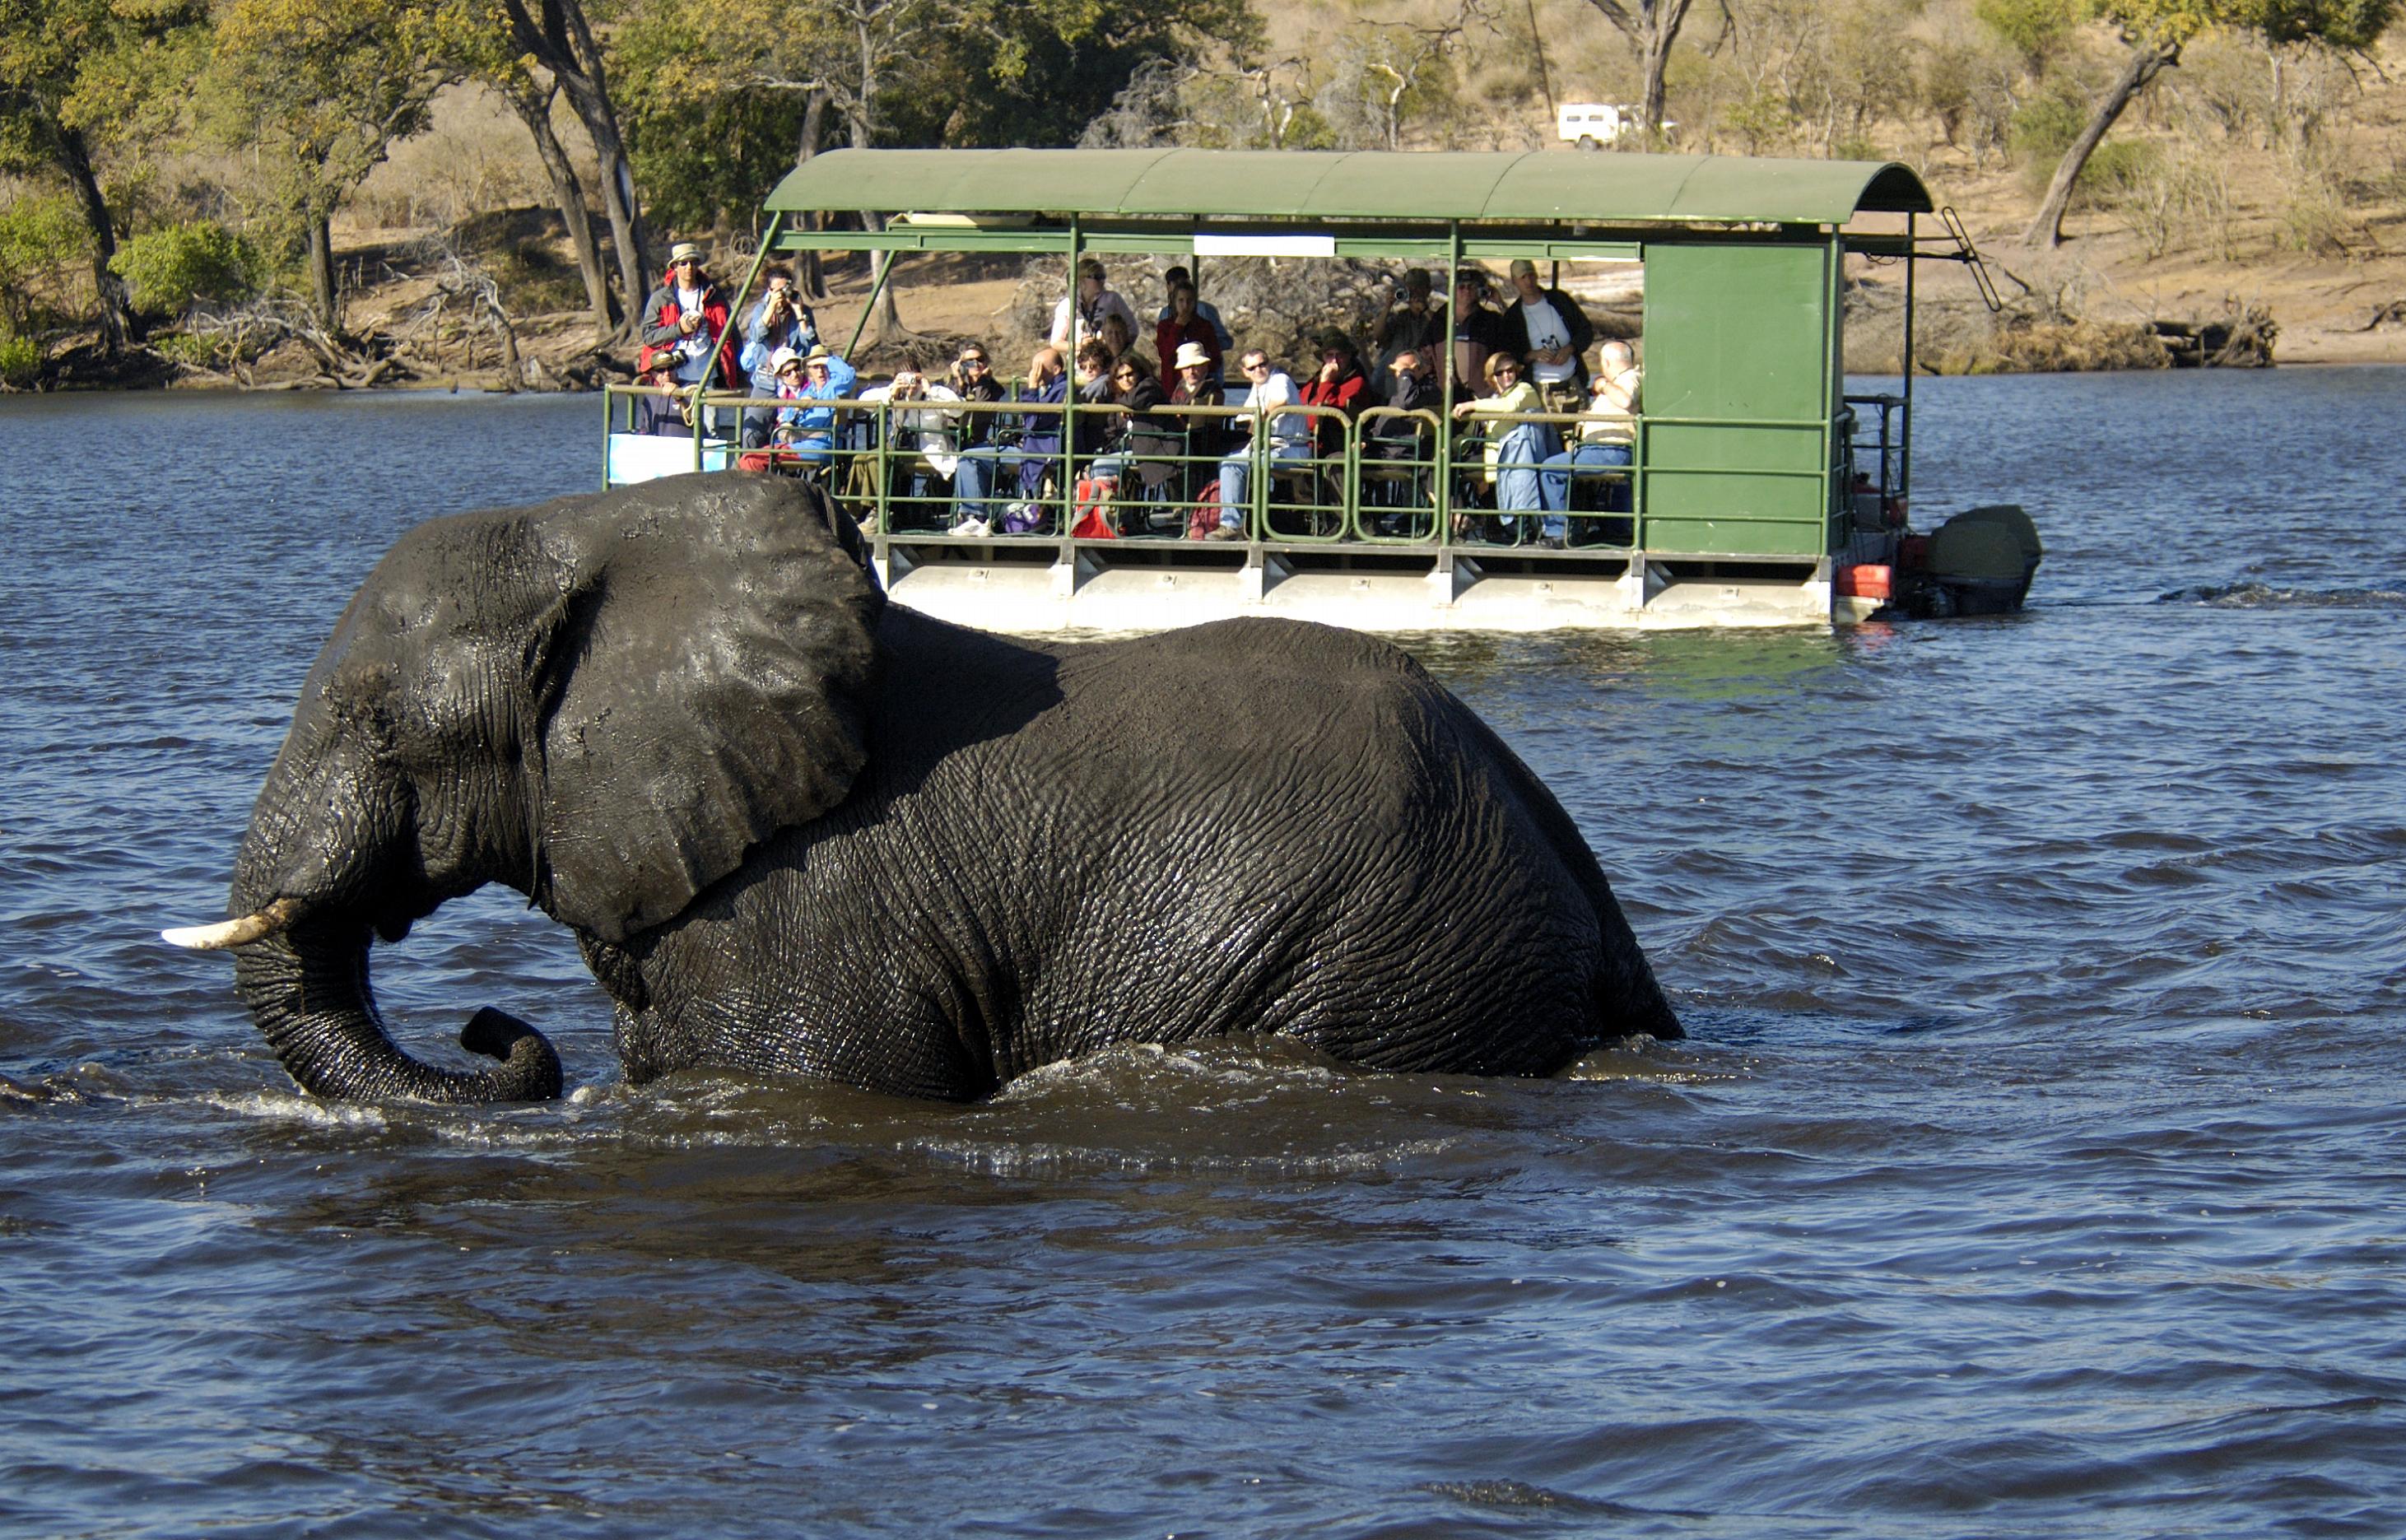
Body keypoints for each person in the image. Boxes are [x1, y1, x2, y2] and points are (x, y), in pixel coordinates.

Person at [952, 346, 1068, 536]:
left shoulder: (1061, 390)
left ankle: (975, 518)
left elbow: (1032, 422)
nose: (1034, 372)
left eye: (1039, 368)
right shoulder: (1053, 388)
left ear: (1055, 370)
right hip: (1035, 447)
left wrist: (1031, 388)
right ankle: (977, 517)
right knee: (974, 454)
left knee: (969, 457)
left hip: (1041, 453)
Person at [1538, 340, 1641, 544]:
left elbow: (1626, 401)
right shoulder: (1621, 381)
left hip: (1611, 449)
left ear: (1607, 362)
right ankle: (1583, 528)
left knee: (1550, 469)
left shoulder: (1631, 378)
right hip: (1597, 449)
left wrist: (1603, 385)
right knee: (1565, 468)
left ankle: (1559, 532)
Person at [1451, 350, 1556, 541]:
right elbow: (1474, 433)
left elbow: (1509, 407)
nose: (1506, 375)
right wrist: (1448, 447)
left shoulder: (1524, 390)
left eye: (1510, 370)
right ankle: (1460, 518)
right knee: (1444, 465)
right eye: (1499, 373)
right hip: (1493, 456)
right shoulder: (1492, 399)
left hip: (1514, 456)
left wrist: (1472, 405)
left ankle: (1506, 527)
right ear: (1491, 378)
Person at [638, 240, 738, 435]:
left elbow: (730, 335)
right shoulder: (661, 298)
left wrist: (737, 374)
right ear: (674, 267)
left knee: (710, 431)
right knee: (673, 428)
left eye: (693, 262)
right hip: (673, 374)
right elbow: (649, 336)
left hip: (706, 374)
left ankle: (707, 466)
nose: (689, 267)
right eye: (683, 263)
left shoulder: (714, 296)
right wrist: (680, 329)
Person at [1210, 347, 1309, 541]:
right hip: (1264, 449)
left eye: (1262, 364)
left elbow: (1280, 401)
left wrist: (1261, 417)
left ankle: (1233, 524)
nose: (1258, 370)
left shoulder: (1280, 379)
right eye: (1252, 367)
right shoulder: (1257, 388)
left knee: (1234, 464)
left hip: (1290, 449)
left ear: (1269, 364)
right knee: (1228, 461)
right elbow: (1243, 418)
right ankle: (1236, 522)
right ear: (1245, 373)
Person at [859, 365, 963, 528]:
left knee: (874, 458)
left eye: (913, 378)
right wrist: (892, 392)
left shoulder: (935, 393)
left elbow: (958, 410)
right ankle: (859, 511)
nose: (910, 384)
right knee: (860, 459)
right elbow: (863, 402)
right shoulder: (894, 393)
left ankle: (878, 512)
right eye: (905, 379)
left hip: (930, 449)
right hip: (898, 447)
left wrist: (931, 391)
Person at [738, 264, 820, 447]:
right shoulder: (762, 309)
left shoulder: (803, 311)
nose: (782, 295)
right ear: (769, 291)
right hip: (766, 380)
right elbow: (756, 336)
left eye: (785, 289)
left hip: (794, 380)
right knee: (751, 432)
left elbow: (812, 346)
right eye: (777, 290)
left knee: (798, 433)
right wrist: (772, 307)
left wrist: (799, 313)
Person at [1501, 258, 1596, 407]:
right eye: (1523, 277)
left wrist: (1570, 349)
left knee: (1581, 427)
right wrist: (1533, 355)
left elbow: (1586, 331)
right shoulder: (1513, 316)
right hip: (1539, 387)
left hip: (1574, 380)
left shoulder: (1560, 300)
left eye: (1531, 275)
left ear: (1537, 275)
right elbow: (1510, 354)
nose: (1528, 281)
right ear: (1514, 281)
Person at [775, 343, 859, 472]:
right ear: (809, 370)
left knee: (758, 459)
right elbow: (786, 418)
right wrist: (795, 412)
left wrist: (823, 359)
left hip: (820, 446)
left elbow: (849, 375)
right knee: (753, 456)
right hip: (798, 444)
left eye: (824, 367)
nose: (820, 371)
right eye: (815, 367)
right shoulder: (807, 392)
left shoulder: (835, 388)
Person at [1298, 330, 1371, 458]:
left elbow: (1322, 415)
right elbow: (1300, 407)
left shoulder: (1357, 383)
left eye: (1340, 355)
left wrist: (1326, 383)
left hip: (1335, 447)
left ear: (1349, 356)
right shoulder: (1312, 383)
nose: (1335, 361)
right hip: (1303, 442)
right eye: (1329, 355)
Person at [1446, 267, 1510, 409]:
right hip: (1449, 394)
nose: (1466, 291)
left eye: (1472, 287)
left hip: (1483, 393)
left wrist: (1499, 302)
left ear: (1480, 290)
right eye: (1461, 287)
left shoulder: (1492, 320)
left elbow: (1514, 334)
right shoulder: (1441, 319)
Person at [1049, 258, 1138, 351]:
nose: (1102, 280)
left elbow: (1133, 330)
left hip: (1109, 360)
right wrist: (1080, 346)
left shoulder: (1112, 299)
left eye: (1103, 277)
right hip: (1080, 363)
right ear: (1082, 280)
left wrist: (1118, 352)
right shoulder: (1068, 304)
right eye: (1097, 276)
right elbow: (1056, 342)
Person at [1374, 268, 1445, 375]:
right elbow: (1378, 335)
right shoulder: (1399, 318)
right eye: (1410, 288)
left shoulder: (1435, 319)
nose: (1414, 292)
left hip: (1425, 379)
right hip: (1396, 381)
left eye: (1419, 288)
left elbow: (1443, 334)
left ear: (1428, 290)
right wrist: (1388, 307)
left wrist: (1424, 309)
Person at [1156, 281, 1222, 390]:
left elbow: (1216, 359)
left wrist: (1199, 368)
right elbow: (1166, 354)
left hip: (1199, 387)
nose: (1185, 305)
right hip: (1172, 386)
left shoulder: (1204, 326)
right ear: (1174, 302)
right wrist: (1178, 327)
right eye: (1181, 301)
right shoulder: (1165, 326)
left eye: (1189, 301)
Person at [1155, 265, 1232, 351]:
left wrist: (1203, 345)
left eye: (1184, 281)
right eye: (1176, 283)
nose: (1180, 286)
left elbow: (1226, 342)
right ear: (1168, 287)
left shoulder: (1204, 310)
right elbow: (1163, 347)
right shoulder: (1165, 314)